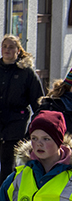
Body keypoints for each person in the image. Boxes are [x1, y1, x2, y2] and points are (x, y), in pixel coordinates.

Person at [0, 35, 43, 183]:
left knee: (8, 163)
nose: (7, 50)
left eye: (11, 47)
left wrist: (34, 127)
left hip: (16, 124)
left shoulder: (26, 73)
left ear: (18, 51)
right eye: (4, 46)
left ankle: (5, 195)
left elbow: (38, 102)